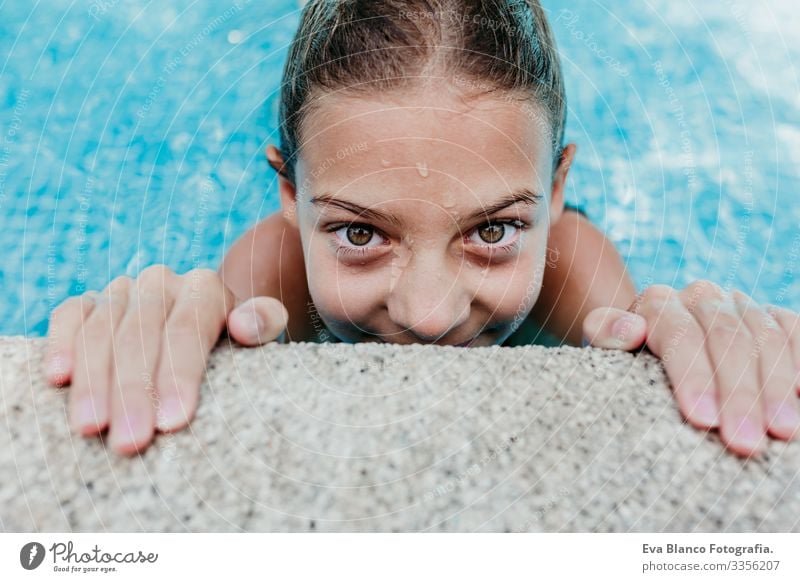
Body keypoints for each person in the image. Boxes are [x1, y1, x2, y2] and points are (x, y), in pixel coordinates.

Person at [44, 0, 799, 458]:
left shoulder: (575, 266)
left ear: (558, 188)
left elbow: (642, 353)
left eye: (495, 231)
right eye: (362, 235)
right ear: (288, 191)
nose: (430, 314)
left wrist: (691, 333)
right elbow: (195, 354)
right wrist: (170, 322)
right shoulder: (268, 271)